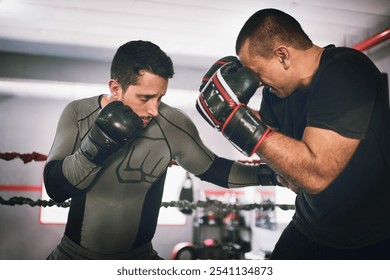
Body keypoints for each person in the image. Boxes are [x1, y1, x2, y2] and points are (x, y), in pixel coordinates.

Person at [43, 40, 279, 260]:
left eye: (160, 97)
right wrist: (95, 145)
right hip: (74, 256)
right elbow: (56, 189)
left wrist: (274, 175)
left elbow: (214, 169)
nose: (154, 109)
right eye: (145, 97)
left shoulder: (171, 123)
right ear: (116, 88)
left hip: (139, 258)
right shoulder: (78, 113)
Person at [196, 8, 390, 259]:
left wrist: (236, 121)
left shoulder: (345, 71)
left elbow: (313, 175)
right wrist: (226, 113)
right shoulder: (275, 95)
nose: (257, 83)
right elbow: (288, 170)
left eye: (257, 73)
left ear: (282, 55)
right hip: (308, 227)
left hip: (367, 239)